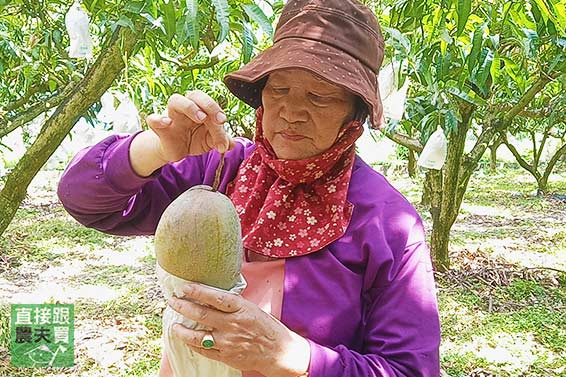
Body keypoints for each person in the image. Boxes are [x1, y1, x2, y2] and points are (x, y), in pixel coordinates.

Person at [57, 0, 441, 376]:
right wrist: (158, 149)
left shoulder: (387, 223)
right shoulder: (220, 168)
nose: (291, 112)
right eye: (278, 90)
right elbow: (83, 199)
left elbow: (410, 369)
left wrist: (295, 357)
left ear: (353, 114)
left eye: (319, 96)